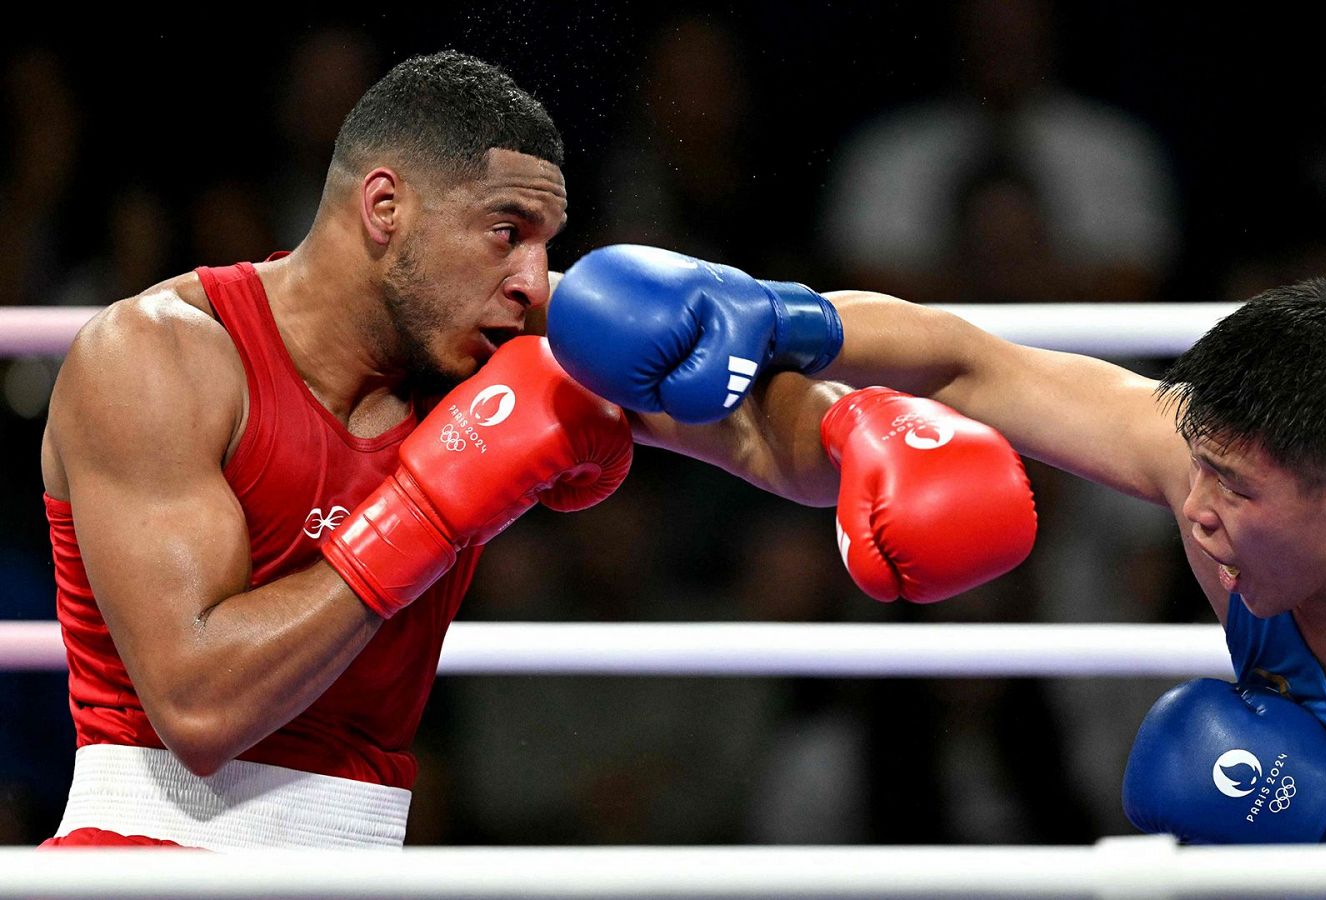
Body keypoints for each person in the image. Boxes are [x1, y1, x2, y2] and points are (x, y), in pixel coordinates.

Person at [36, 52, 1038, 850]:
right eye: (505, 231)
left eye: (545, 242)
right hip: (145, 856)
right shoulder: (159, 358)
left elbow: (740, 424)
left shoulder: (496, 345)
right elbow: (200, 710)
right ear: (383, 210)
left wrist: (856, 431)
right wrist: (432, 505)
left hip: (356, 860)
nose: (533, 279)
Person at [545, 246, 1326, 841]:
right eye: (1197, 473)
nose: (1194, 515)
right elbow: (967, 364)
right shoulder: (1209, 473)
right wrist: (776, 315)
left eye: (1233, 492)